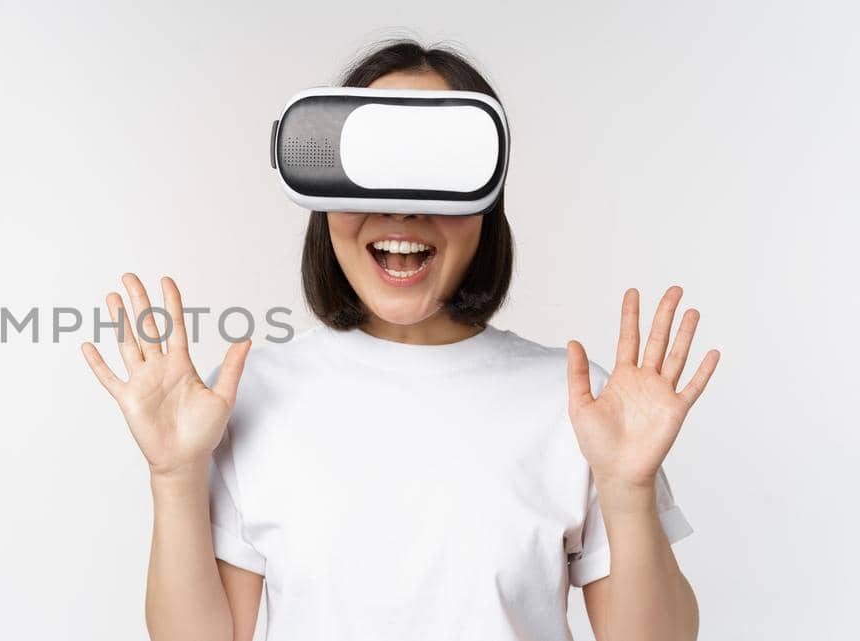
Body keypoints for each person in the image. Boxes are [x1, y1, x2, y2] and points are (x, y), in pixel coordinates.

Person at [79, 40, 718, 641]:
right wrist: (175, 474)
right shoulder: (251, 398)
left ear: (486, 203)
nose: (402, 209)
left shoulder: (580, 406)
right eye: (374, 171)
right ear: (324, 199)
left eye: (436, 170)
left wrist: (629, 493)